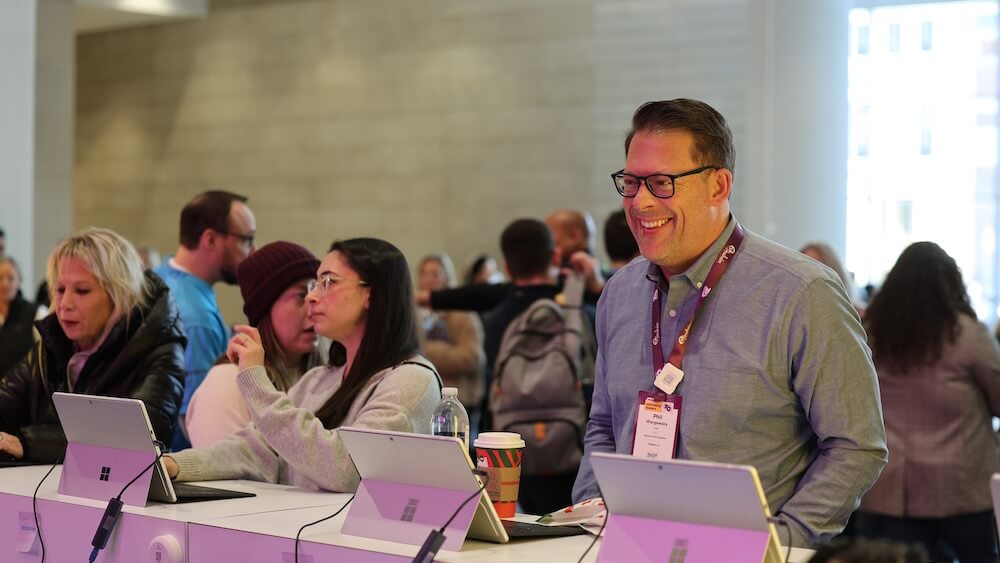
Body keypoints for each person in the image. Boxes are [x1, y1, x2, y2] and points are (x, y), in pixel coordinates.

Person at [572, 99, 887, 546]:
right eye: (632, 182)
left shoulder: (801, 293)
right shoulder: (618, 295)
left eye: (662, 183)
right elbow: (604, 424)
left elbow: (857, 444)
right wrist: (593, 520)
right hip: (628, 548)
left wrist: (782, 542)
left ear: (718, 186)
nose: (640, 202)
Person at [162, 238, 442, 492]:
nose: (312, 296)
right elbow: (257, 451)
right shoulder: (320, 379)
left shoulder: (411, 381)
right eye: (314, 284)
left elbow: (347, 468)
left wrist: (255, 381)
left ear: (372, 294)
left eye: (328, 282)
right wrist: (172, 466)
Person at [855, 242, 1000, 562]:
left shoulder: (872, 334)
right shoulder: (968, 336)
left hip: (890, 491)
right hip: (961, 490)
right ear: (951, 283)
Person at [0, 227, 185, 462]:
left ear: (119, 294)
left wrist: (27, 443)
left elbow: (133, 439)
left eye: (82, 290)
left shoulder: (161, 350)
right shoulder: (51, 347)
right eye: (59, 289)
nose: (65, 303)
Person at [185, 241, 324, 447]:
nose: (315, 307)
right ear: (265, 308)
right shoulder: (227, 383)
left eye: (319, 292)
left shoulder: (323, 376)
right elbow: (223, 473)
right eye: (302, 295)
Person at [154, 190, 256, 450]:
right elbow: (196, 419)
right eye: (246, 239)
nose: (253, 250)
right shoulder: (196, 316)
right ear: (210, 238)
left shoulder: (157, 276)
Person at [416, 254, 485, 434]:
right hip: (425, 400)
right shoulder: (414, 314)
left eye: (435, 274)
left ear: (447, 277)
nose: (429, 279)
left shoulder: (463, 313)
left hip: (458, 402)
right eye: (425, 274)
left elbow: (472, 357)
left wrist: (425, 351)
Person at [800, 241, 864, 316]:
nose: (812, 276)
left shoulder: (860, 316)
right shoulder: (799, 315)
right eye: (806, 268)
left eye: (817, 268)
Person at [0, 257, 38, 377]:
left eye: (10, 278)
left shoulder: (36, 313)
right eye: (0, 278)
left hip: (23, 390)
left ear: (19, 281)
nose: (4, 284)